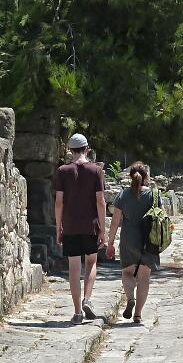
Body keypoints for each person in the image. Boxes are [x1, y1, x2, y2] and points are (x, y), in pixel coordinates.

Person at [54, 132, 106, 325]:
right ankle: (87, 299)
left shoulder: (62, 171)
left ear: (70, 150)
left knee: (73, 267)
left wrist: (58, 227)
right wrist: (103, 228)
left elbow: (59, 202)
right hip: (90, 225)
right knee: (91, 262)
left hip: (70, 225)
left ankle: (77, 312)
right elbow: (100, 202)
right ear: (87, 149)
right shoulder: (96, 171)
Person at [106, 161, 158, 326]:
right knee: (144, 278)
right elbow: (161, 219)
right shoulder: (153, 195)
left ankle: (130, 298)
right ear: (146, 177)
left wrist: (110, 243)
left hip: (129, 239)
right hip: (148, 240)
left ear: (130, 177)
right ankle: (138, 315)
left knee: (127, 273)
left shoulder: (123, 195)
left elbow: (115, 221)